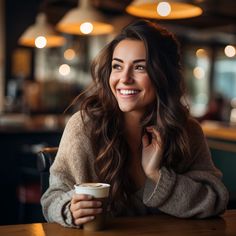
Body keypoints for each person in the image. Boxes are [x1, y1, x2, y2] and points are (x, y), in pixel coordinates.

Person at [41, 19, 228, 228]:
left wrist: (156, 175)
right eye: (117, 66)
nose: (125, 78)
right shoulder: (84, 127)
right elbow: (51, 198)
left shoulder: (188, 131)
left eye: (140, 67)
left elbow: (216, 199)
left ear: (163, 75)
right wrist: (69, 209)